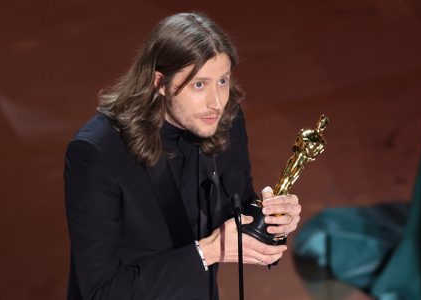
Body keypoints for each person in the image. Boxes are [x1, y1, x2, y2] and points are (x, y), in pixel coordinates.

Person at [64, 12, 302, 300]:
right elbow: (101, 292)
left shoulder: (225, 121)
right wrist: (208, 252)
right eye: (199, 85)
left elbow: (235, 209)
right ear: (160, 83)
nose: (216, 102)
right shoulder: (97, 153)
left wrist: (271, 221)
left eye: (223, 81)